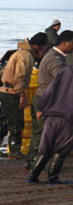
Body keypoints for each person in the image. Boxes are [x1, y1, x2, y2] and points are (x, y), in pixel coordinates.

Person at [27, 30, 72, 168]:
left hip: (45, 99)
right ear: (65, 43)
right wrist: (44, 107)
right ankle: (33, 164)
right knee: (41, 134)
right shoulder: (55, 59)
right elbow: (62, 83)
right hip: (47, 99)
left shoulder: (56, 56)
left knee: (42, 133)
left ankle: (34, 164)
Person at [26, 65, 73, 185]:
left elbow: (50, 89)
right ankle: (52, 178)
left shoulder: (65, 70)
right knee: (62, 147)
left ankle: (32, 176)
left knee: (45, 146)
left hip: (52, 114)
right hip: (68, 116)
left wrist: (41, 107)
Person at [0, 38, 35, 158]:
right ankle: (14, 151)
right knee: (16, 122)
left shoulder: (17, 53)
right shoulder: (25, 55)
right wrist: (22, 96)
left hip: (5, 91)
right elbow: (20, 77)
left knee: (3, 120)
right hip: (13, 92)